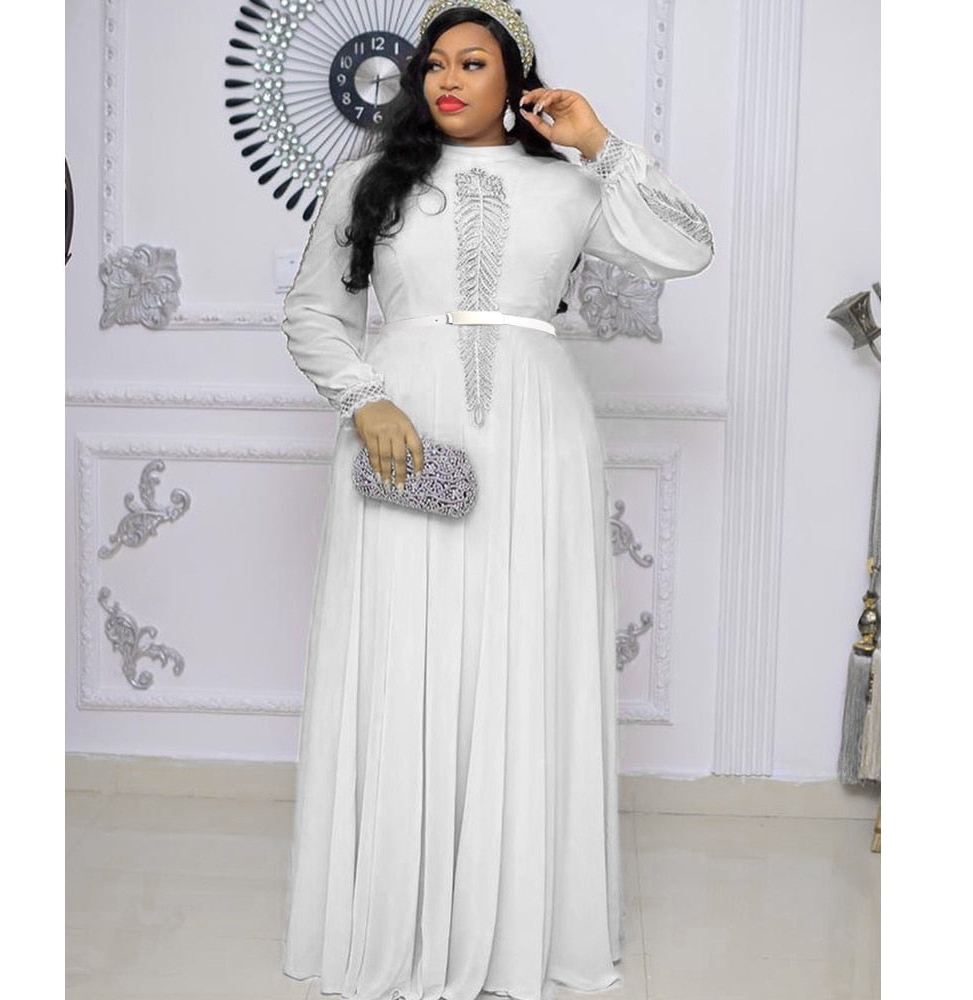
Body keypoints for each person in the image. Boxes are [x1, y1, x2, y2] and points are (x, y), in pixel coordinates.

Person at [280, 2, 713, 998]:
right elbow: (312, 312)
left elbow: (687, 247)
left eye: (472, 62)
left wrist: (600, 144)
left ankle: (517, 921)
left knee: (521, 647)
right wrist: (363, 399)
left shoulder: (570, 186)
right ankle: (397, 922)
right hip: (402, 433)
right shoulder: (365, 182)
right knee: (404, 645)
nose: (446, 77)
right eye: (434, 61)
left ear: (516, 78)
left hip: (536, 434)